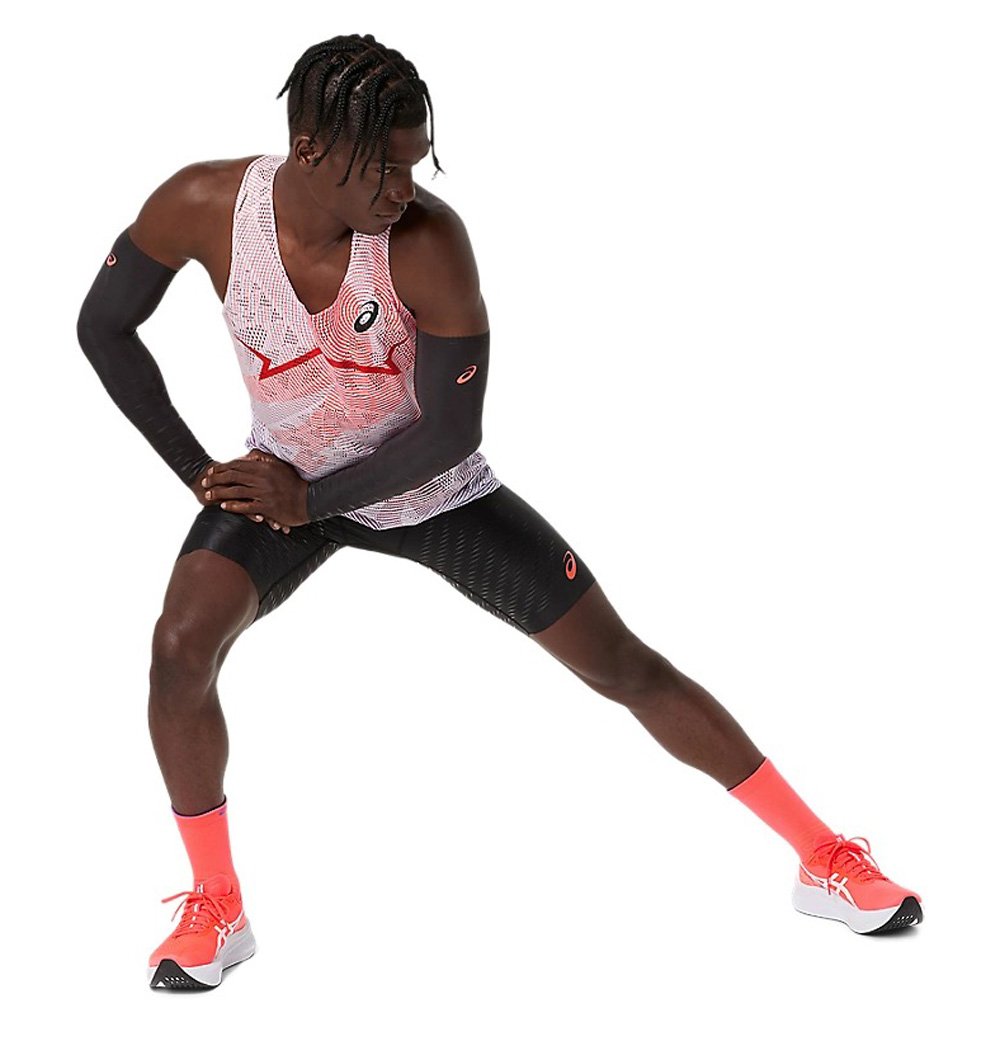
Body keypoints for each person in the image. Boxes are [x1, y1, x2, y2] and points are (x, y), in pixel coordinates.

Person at [77, 33, 922, 991]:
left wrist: (309, 499)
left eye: (415, 161)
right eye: (383, 167)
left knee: (623, 664)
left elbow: (449, 432)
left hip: (429, 492)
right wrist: (203, 473)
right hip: (286, 480)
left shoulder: (428, 242)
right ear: (310, 149)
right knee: (179, 648)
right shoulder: (203, 204)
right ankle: (217, 904)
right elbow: (103, 327)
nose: (405, 187)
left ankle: (823, 855)